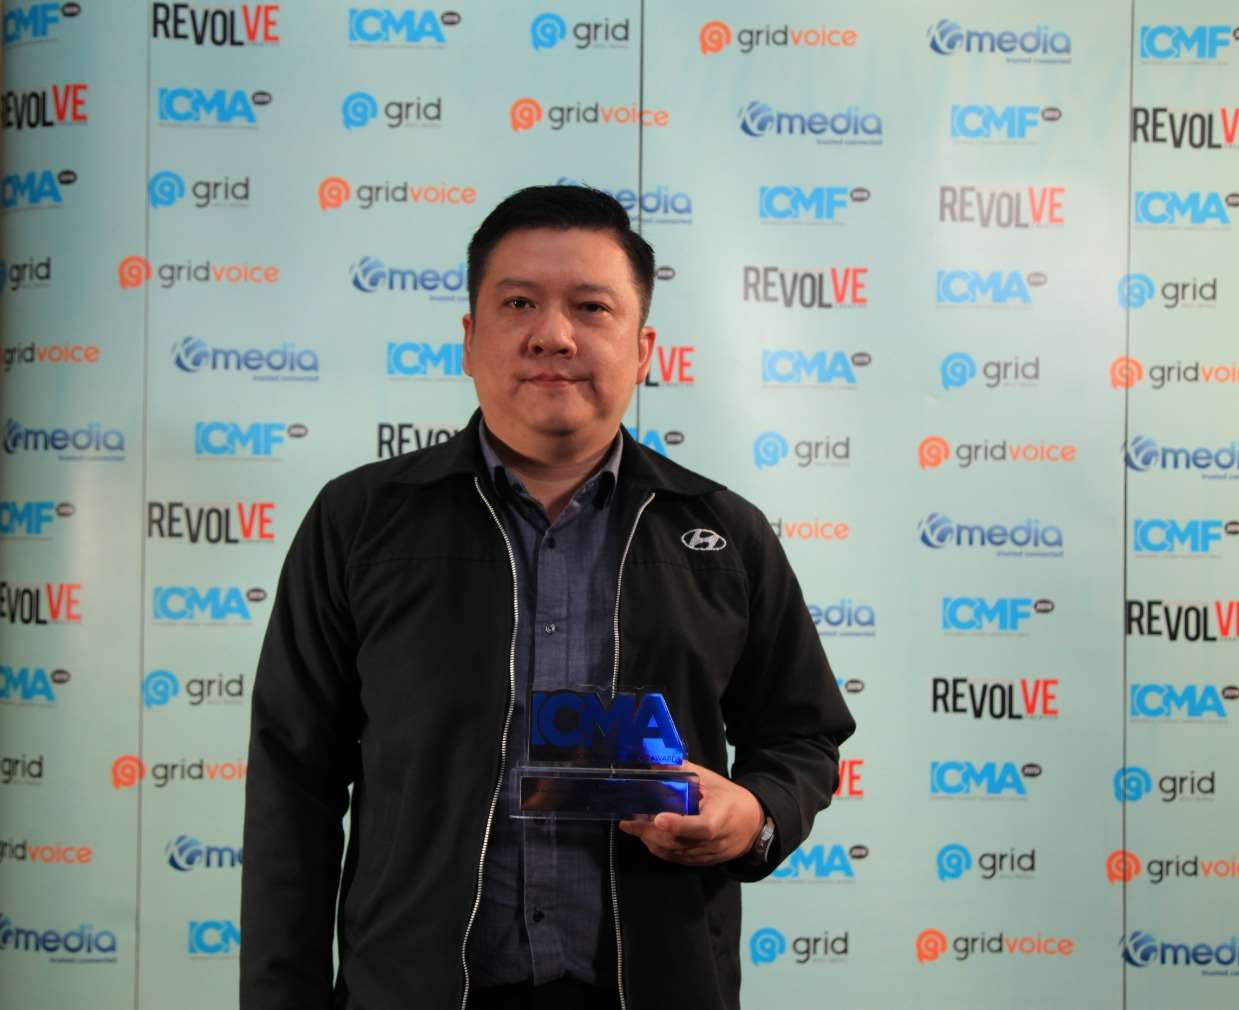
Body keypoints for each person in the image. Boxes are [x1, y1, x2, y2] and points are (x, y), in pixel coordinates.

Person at [240, 185, 855, 1010]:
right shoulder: (360, 522)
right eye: (519, 303)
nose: (553, 335)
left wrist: (756, 815)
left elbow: (802, 736)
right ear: (469, 339)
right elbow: (293, 787)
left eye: (591, 307)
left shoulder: (721, 533)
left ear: (643, 349)